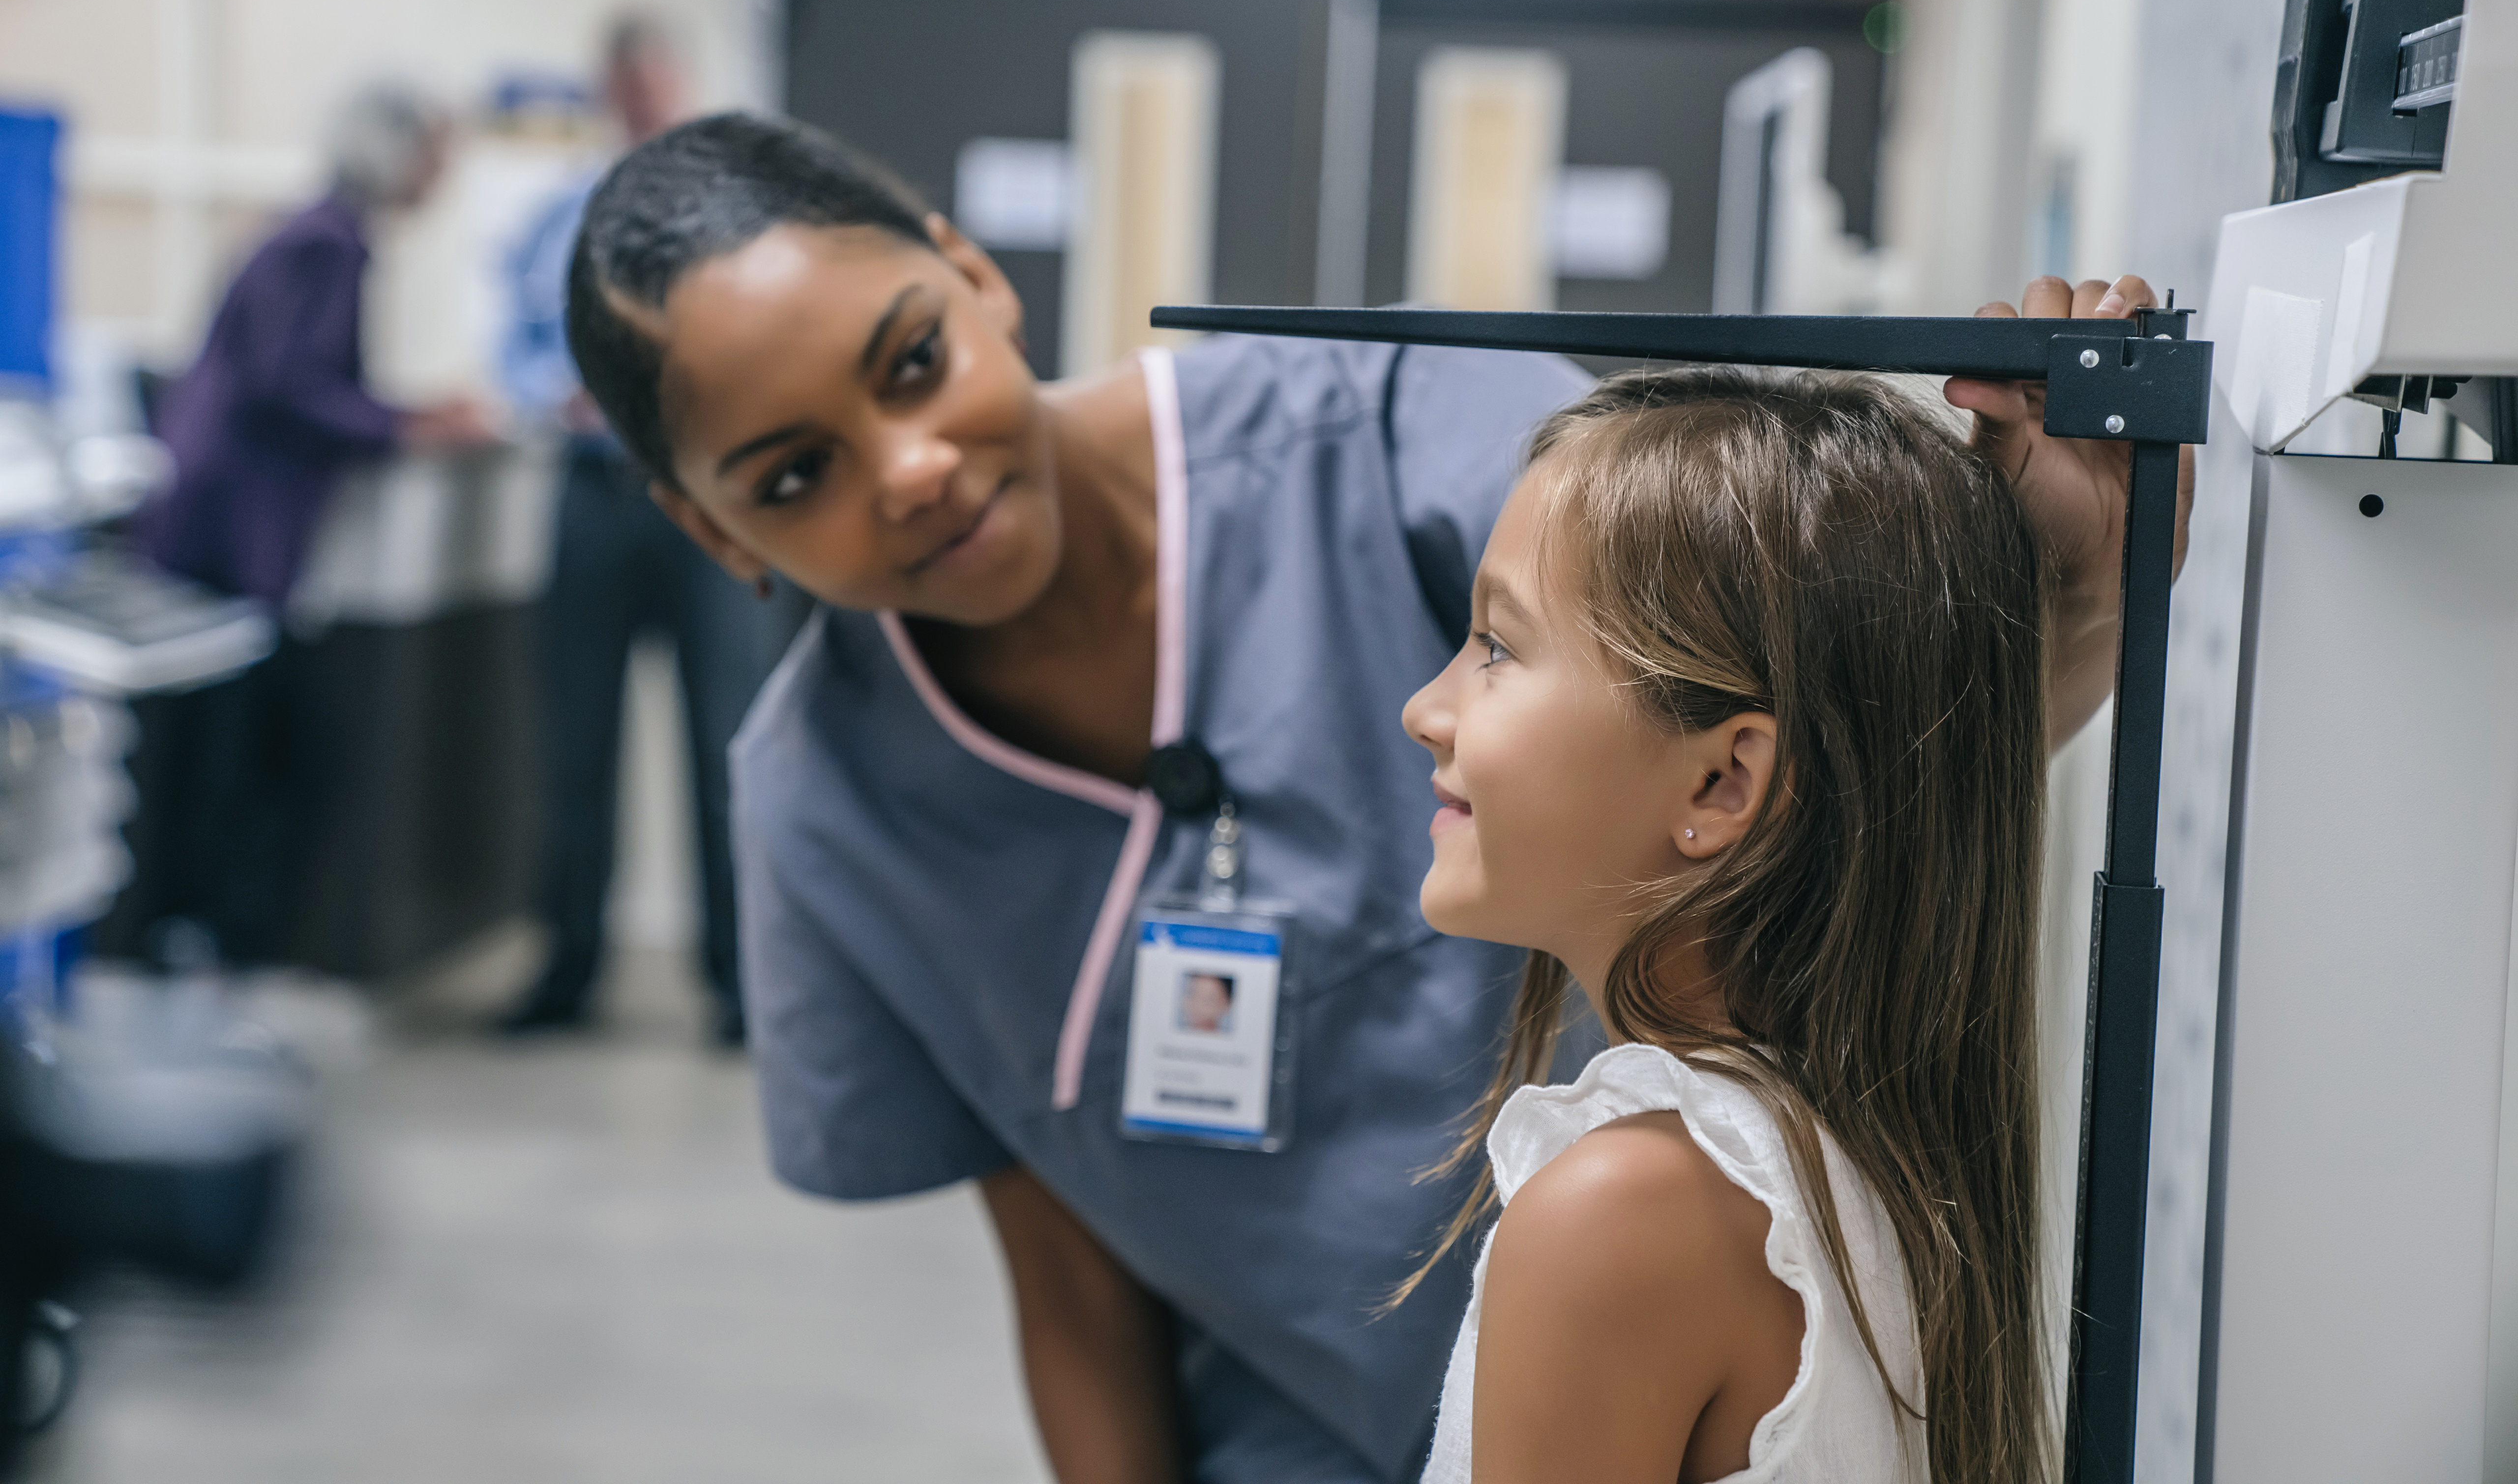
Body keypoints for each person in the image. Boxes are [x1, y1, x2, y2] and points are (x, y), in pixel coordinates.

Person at [560, 110, 2175, 1482]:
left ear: (974, 274)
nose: (902, 467)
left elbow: (1802, 775)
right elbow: (1069, 1282)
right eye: (789, 476)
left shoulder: (1394, 426)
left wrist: (2073, 600)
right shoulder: (825, 812)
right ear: (709, 535)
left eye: (909, 359)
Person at [1401, 368, 2048, 1484]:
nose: (1428, 708)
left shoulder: (1623, 1216)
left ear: (1720, 784)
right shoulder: (1866, 1145)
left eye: (1497, 647)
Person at [138, 79, 494, 965]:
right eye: (436, 152)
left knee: (238, 753)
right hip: (230, 538)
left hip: (226, 534)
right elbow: (287, 386)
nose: (444, 174)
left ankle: (204, 946)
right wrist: (409, 426)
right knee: (242, 759)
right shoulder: (328, 245)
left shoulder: (318, 235)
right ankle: (204, 950)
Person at [497, 13, 784, 1044]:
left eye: (654, 85)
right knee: (574, 746)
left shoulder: (739, 220)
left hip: (704, 505)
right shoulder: (553, 220)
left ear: (682, 86)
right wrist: (554, 393)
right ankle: (565, 972)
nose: (641, 104)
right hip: (589, 498)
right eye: (624, 87)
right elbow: (516, 349)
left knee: (722, 743)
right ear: (605, 93)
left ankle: (739, 990)